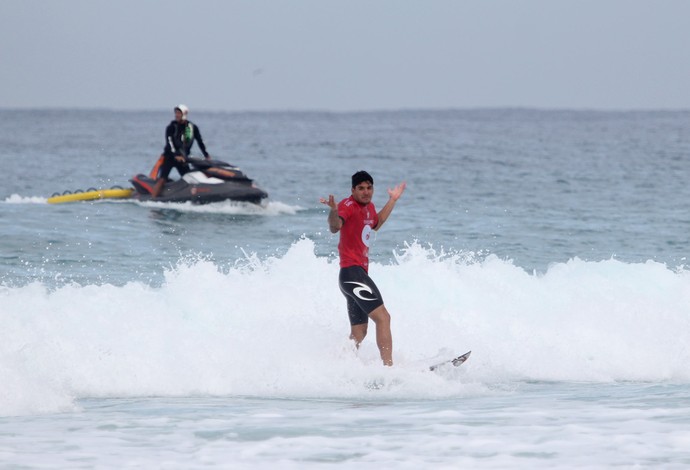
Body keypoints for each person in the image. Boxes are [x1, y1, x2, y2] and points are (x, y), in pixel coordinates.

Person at [320, 171, 406, 366]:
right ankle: (389, 369)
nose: (366, 192)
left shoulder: (369, 208)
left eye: (369, 188)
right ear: (353, 190)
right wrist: (333, 210)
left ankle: (336, 366)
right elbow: (335, 227)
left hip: (352, 276)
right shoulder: (347, 206)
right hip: (352, 274)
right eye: (361, 188)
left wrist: (392, 200)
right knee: (383, 318)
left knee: (359, 332)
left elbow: (377, 223)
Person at [151, 104, 211, 198]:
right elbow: (169, 142)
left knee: (189, 178)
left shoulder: (191, 128)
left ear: (185, 113)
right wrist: (175, 155)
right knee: (162, 179)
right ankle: (152, 198)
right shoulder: (171, 127)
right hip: (169, 158)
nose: (176, 115)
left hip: (183, 159)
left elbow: (200, 141)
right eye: (176, 113)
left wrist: (206, 155)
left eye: (179, 113)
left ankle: (194, 196)